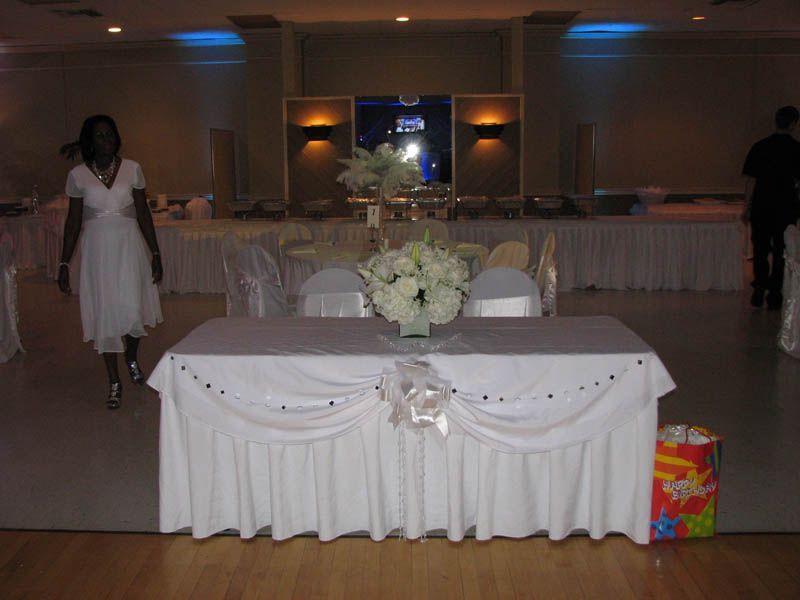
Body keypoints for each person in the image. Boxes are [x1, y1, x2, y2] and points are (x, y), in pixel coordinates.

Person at [58, 115, 163, 409]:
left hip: (129, 249)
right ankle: (114, 380)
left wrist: (155, 253)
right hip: (97, 252)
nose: (106, 141)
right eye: (99, 136)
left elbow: (143, 214)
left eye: (110, 135)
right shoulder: (78, 175)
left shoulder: (133, 169)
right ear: (89, 141)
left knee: (131, 307)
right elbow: (72, 222)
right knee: (106, 313)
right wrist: (64, 264)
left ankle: (130, 357)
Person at [742, 105, 800, 309]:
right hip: (786, 208)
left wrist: (746, 207)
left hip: (762, 206)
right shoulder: (796, 150)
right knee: (780, 251)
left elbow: (751, 181)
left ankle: (759, 288)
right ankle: (775, 293)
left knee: (760, 248)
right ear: (793, 124)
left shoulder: (760, 147)